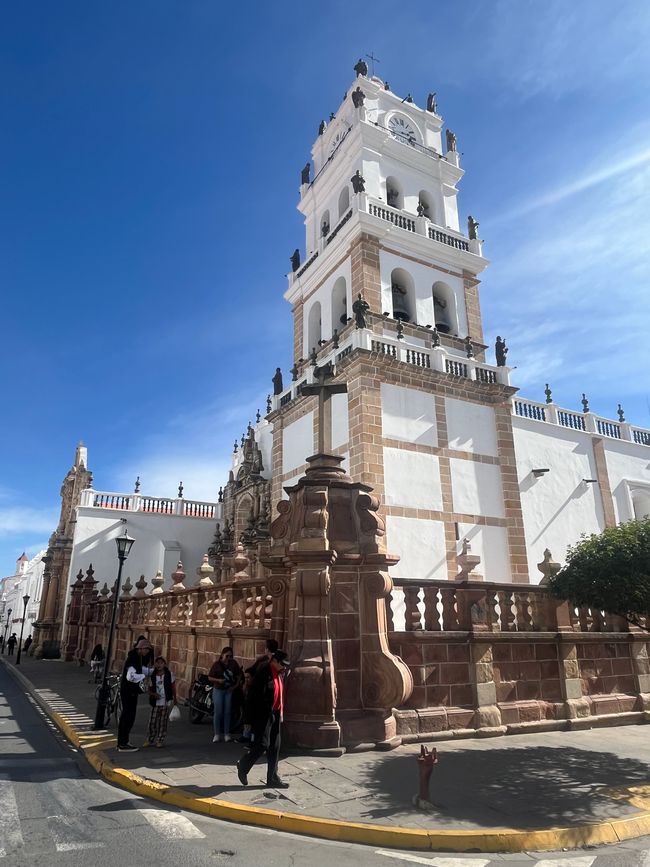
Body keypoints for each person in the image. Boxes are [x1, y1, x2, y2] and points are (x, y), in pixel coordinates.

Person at [236, 649, 289, 789]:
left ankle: (272, 777)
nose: (285, 667)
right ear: (275, 661)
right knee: (262, 744)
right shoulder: (264, 672)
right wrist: (247, 720)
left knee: (275, 745)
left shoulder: (280, 673)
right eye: (282, 664)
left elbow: (279, 693)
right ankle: (243, 765)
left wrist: (281, 711)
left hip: (275, 713)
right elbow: (252, 696)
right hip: (262, 715)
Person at [117, 637, 154, 752]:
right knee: (127, 716)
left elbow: (141, 669)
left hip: (131, 691)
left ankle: (124, 741)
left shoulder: (137, 658)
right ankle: (122, 744)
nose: (147, 652)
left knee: (129, 716)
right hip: (129, 691)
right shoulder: (133, 659)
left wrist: (152, 671)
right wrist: (144, 677)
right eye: (146, 650)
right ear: (141, 648)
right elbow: (131, 676)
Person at [208, 647, 242, 743]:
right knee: (218, 711)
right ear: (222, 655)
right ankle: (217, 734)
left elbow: (239, 675)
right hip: (218, 689)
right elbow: (210, 677)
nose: (229, 658)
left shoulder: (233, 664)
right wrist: (218, 680)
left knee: (227, 712)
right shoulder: (217, 665)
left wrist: (235, 685)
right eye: (227, 656)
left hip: (228, 690)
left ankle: (227, 733)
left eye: (231, 656)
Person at [144, 656, 177, 748]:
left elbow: (173, 687)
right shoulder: (152, 676)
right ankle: (150, 739)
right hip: (155, 702)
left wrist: (175, 699)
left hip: (165, 702)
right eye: (157, 663)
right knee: (152, 721)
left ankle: (160, 740)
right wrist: (154, 694)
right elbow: (149, 689)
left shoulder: (169, 675)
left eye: (161, 663)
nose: (159, 665)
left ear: (164, 664)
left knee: (163, 722)